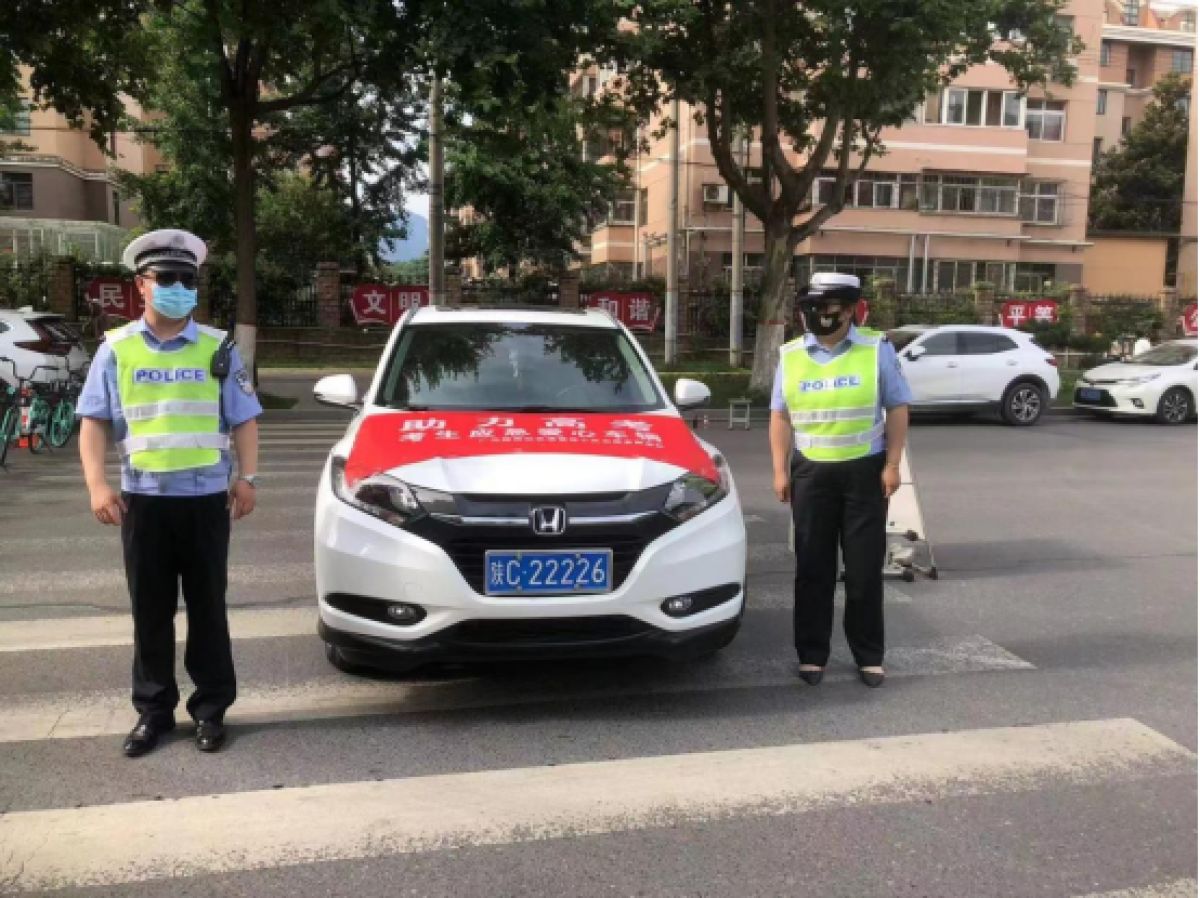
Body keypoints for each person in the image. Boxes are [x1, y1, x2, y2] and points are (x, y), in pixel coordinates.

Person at [77, 228, 262, 757]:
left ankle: (211, 709)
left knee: (208, 611)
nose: (179, 288)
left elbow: (244, 419)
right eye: (167, 278)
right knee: (150, 612)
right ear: (142, 284)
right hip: (144, 501)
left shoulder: (217, 346)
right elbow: (93, 422)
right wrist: (97, 485)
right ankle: (153, 712)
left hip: (205, 501)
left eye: (188, 279)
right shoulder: (116, 349)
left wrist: (248, 478)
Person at [768, 272, 912, 688]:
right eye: (810, 307)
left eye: (826, 307)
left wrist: (893, 464)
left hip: (864, 472)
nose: (817, 314)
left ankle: (869, 655)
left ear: (849, 310)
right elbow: (780, 415)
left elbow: (897, 407)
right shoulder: (791, 355)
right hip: (811, 472)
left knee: (864, 570)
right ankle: (812, 654)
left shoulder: (875, 349)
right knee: (813, 568)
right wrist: (780, 470)